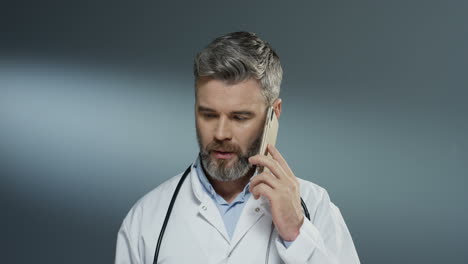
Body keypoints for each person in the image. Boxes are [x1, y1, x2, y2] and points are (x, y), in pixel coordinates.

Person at [114, 31, 360, 264]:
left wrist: (297, 234)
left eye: (239, 117)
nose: (221, 134)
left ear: (273, 115)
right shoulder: (146, 220)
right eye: (208, 115)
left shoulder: (314, 207)